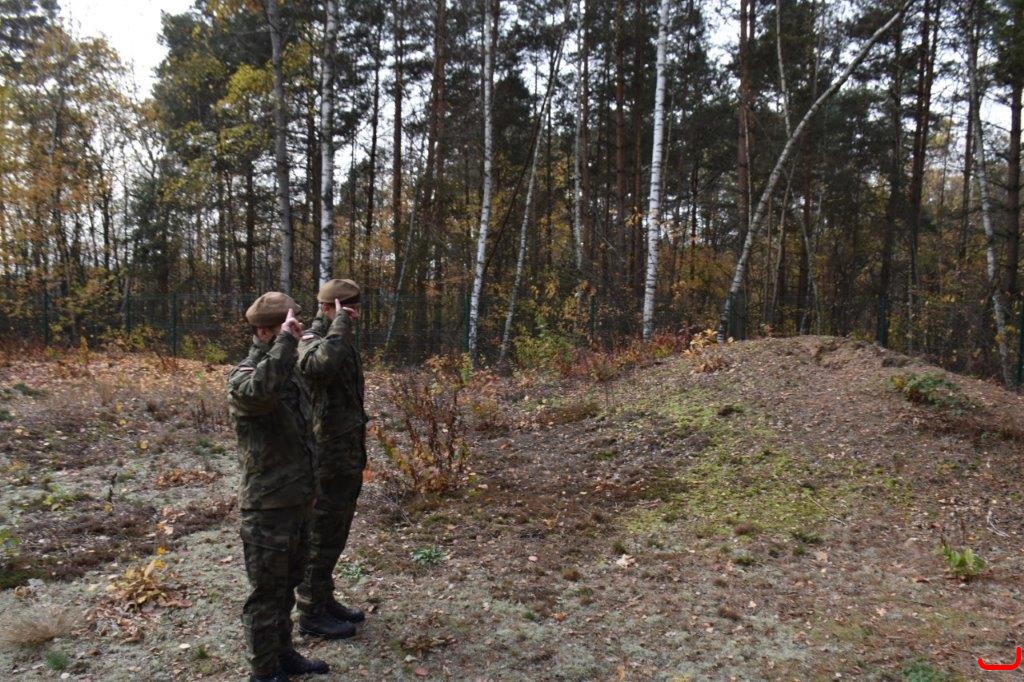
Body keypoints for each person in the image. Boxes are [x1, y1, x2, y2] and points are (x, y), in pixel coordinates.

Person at [227, 292, 331, 681]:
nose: (297, 332)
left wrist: (312, 486)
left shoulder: (287, 371)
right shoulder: (244, 377)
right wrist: (285, 343)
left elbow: (305, 433)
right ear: (264, 331)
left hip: (296, 499)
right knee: (266, 595)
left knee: (287, 586)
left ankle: (283, 654)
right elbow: (260, 392)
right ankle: (263, 670)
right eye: (288, 326)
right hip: (267, 507)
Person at [294, 278, 369, 639]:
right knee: (321, 533)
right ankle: (310, 611)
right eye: (348, 309)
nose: (355, 316)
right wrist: (338, 323)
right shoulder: (311, 339)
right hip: (325, 456)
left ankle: (323, 598)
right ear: (331, 308)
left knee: (336, 531)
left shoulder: (340, 338)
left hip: (345, 454)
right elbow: (319, 366)